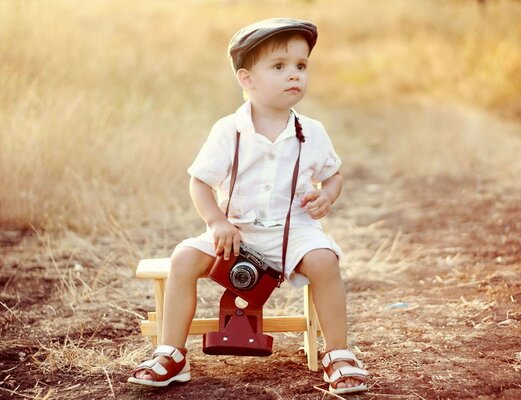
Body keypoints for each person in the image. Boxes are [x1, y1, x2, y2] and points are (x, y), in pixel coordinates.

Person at [128, 18, 368, 395]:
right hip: (235, 230)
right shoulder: (228, 130)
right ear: (246, 79)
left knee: (325, 260)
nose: (294, 75)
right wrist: (217, 221)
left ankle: (338, 353)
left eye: (301, 66)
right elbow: (200, 182)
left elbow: (333, 175)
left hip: (293, 232)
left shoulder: (312, 131)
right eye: (279, 66)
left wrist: (328, 194)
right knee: (183, 257)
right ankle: (170, 352)